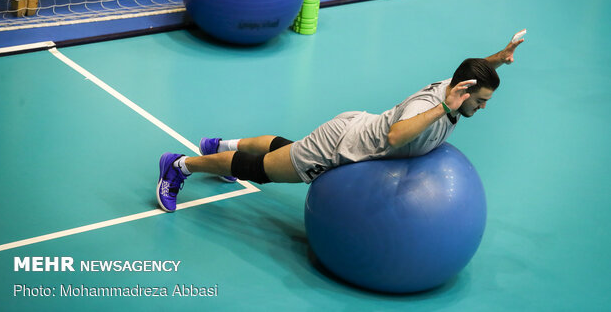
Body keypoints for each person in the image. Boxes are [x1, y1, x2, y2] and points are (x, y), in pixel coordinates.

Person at [157, 36, 524, 212]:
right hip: (340, 146)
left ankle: (220, 144)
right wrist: (443, 107)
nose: (483, 107)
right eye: (481, 101)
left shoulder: (458, 88)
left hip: (352, 128)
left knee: (285, 147)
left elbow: (473, 71)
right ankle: (179, 166)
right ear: (462, 92)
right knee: (264, 170)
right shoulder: (435, 103)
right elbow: (397, 136)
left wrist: (500, 59)